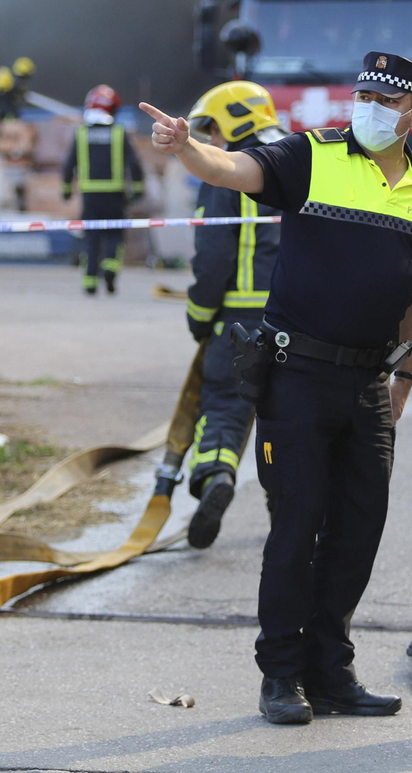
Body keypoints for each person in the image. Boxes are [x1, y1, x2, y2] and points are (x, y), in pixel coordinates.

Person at [142, 50, 412, 726]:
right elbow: (233, 169)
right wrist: (187, 147)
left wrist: (403, 379)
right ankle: (281, 674)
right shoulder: (311, 155)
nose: (369, 107)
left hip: (368, 385)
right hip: (299, 379)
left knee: (358, 530)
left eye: (386, 100)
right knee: (296, 527)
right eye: (363, 94)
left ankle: (331, 674)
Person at [181, 81, 284, 549]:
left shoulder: (228, 172)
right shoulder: (300, 162)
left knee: (224, 404)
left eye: (214, 130)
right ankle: (286, 505)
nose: (213, 142)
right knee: (286, 417)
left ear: (235, 120)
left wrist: (199, 315)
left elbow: (213, 258)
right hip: (294, 320)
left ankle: (218, 473)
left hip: (238, 319)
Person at [62, 84, 145, 294]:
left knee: (91, 236)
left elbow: (69, 163)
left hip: (90, 195)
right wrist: (137, 189)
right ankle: (110, 267)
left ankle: (89, 280)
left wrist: (66, 188)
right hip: (114, 195)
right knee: (114, 234)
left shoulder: (81, 133)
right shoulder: (119, 133)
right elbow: (134, 163)